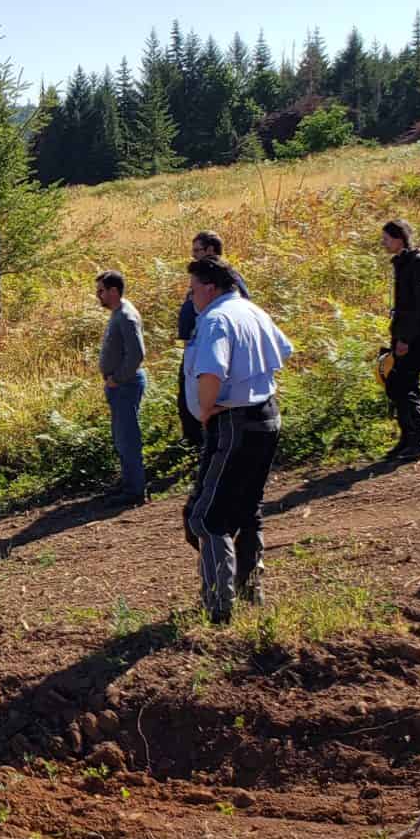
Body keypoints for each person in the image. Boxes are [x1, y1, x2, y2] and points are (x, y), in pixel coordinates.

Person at [183, 256, 294, 625]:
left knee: (206, 517)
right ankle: (251, 593)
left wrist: (205, 407)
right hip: (267, 414)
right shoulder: (252, 310)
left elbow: (213, 370)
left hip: (233, 421)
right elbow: (285, 350)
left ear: (210, 288)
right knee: (247, 509)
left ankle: (218, 607)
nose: (191, 296)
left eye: (193, 289)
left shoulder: (216, 319)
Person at [177, 231, 249, 448]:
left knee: (206, 388)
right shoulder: (201, 276)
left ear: (211, 250)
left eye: (198, 250)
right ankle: (195, 439)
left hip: (211, 343)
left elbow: (241, 305)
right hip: (197, 342)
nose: (193, 254)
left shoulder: (227, 277)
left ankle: (207, 441)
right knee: (187, 391)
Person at [381, 219, 420, 462]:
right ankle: (409, 439)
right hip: (407, 333)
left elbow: (418, 307)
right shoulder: (407, 262)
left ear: (399, 239)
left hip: (419, 334)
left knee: (402, 384)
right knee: (399, 384)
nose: (383, 243)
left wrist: (405, 339)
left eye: (386, 239)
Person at [94, 269, 148, 505]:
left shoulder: (126, 316)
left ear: (114, 291)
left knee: (127, 438)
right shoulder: (119, 312)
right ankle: (128, 484)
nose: (99, 296)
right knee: (121, 437)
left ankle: (135, 490)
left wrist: (118, 378)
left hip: (125, 385)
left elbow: (137, 354)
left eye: (101, 291)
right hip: (119, 385)